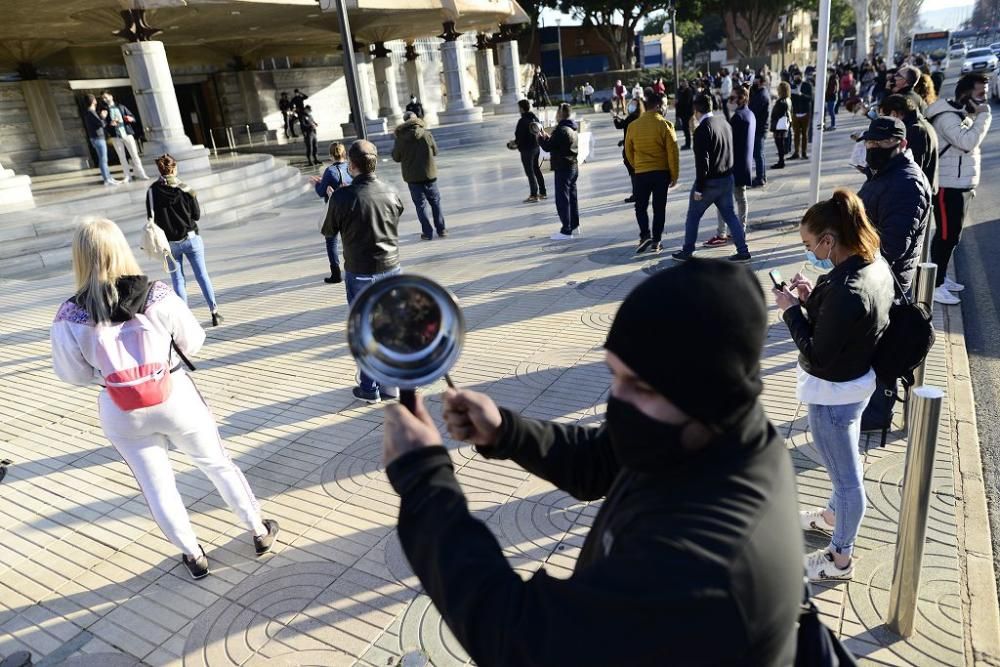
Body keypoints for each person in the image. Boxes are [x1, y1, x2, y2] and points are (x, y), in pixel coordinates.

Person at [380, 260, 804, 666]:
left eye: (638, 385)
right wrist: (505, 431)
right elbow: (602, 460)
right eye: (614, 375)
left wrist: (423, 478)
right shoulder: (714, 427)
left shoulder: (701, 567)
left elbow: (526, 645)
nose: (616, 400)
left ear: (704, 390)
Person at [50, 217, 278, 581]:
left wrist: (106, 374)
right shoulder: (157, 293)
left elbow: (72, 375)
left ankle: (194, 555)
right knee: (217, 463)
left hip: (122, 409)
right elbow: (195, 340)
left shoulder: (70, 314)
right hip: (174, 393)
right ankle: (258, 530)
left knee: (157, 486)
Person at [772, 190, 894, 581]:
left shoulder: (847, 290)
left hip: (833, 392)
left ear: (829, 238)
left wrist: (791, 311)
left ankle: (839, 560)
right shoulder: (870, 264)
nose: (807, 250)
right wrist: (809, 299)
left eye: (809, 243)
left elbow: (819, 353)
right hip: (855, 382)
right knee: (846, 467)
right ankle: (828, 517)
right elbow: (840, 328)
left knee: (846, 481)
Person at [856, 117, 932, 432]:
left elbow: (893, 245)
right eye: (869, 143)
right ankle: (870, 407)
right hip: (873, 276)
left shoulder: (906, 183)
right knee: (869, 347)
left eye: (879, 143)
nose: (872, 148)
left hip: (887, 281)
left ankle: (877, 414)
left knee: (881, 351)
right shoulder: (885, 174)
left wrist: (851, 247)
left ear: (900, 144)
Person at [325, 140, 404, 402]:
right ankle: (391, 385)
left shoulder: (342, 196)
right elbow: (396, 215)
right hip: (392, 268)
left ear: (352, 165)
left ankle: (370, 387)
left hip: (361, 272)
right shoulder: (391, 191)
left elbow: (328, 230)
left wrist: (331, 200)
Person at [926, 72, 992, 305]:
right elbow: (967, 143)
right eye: (980, 95)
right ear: (966, 95)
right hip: (948, 187)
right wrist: (984, 116)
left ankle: (941, 277)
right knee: (945, 236)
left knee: (952, 237)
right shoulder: (946, 117)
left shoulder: (960, 114)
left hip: (961, 185)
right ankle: (934, 285)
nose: (984, 100)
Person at [671, 94, 752, 263]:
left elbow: (703, 162)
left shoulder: (702, 129)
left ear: (696, 110)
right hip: (727, 178)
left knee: (693, 216)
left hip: (709, 182)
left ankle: (687, 250)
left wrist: (699, 188)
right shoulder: (724, 122)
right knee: (730, 215)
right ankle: (743, 251)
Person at [146, 155, 224, 327]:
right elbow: (196, 215)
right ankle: (214, 313)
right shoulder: (186, 189)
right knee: (202, 275)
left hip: (169, 244)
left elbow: (151, 218)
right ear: (174, 168)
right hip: (191, 239)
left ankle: (186, 320)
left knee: (178, 280)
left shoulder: (152, 191)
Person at [624, 90, 680, 254]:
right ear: (657, 106)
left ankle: (644, 235)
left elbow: (628, 151)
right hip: (661, 173)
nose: (664, 108)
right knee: (659, 208)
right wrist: (674, 175)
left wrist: (637, 166)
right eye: (663, 105)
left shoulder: (633, 126)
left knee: (640, 206)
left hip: (641, 172)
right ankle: (656, 241)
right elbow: (673, 153)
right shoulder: (665, 125)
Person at [707, 85, 755, 248]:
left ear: (743, 99)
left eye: (733, 98)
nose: (730, 101)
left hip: (733, 166)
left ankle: (721, 233)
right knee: (741, 199)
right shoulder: (750, 114)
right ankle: (740, 230)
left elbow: (728, 144)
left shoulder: (739, 118)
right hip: (744, 165)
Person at [392, 111, 447, 240]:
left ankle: (427, 233)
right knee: (435, 203)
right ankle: (441, 230)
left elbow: (396, 157)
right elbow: (435, 151)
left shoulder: (400, 138)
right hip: (429, 175)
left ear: (404, 121)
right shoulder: (426, 134)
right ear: (417, 120)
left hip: (412, 178)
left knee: (420, 206)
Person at [879, 94, 938, 194]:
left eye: (883, 117)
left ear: (894, 114)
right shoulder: (917, 124)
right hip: (920, 190)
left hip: (917, 193)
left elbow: (912, 165)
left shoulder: (915, 130)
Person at [311, 142, 352, 284]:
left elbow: (322, 192)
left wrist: (317, 184)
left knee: (331, 241)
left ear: (330, 156)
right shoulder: (350, 167)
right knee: (349, 239)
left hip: (334, 211)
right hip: (350, 209)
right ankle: (353, 267)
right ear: (344, 153)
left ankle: (336, 273)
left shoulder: (329, 171)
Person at [537, 103, 580, 241]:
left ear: (560, 114)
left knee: (563, 199)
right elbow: (560, 144)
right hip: (573, 166)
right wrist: (549, 137)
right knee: (572, 198)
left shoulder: (561, 129)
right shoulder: (572, 128)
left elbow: (549, 147)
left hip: (563, 167)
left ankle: (566, 231)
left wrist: (540, 138)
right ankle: (574, 225)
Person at [100, 91, 149, 183]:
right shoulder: (104, 110)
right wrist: (107, 122)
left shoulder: (121, 107)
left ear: (111, 96)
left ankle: (141, 173)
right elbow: (103, 125)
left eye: (106, 97)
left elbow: (132, 118)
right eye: (103, 98)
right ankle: (127, 176)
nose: (105, 99)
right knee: (121, 157)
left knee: (135, 155)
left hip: (127, 134)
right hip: (115, 136)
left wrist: (131, 119)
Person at [514, 99, 547, 203]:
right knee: (536, 169)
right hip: (536, 147)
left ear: (522, 108)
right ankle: (543, 192)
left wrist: (515, 143)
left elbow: (519, 136)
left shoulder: (522, 121)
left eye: (519, 107)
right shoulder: (534, 118)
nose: (518, 109)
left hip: (527, 150)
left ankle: (534, 195)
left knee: (530, 172)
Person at [613, 96, 644, 204]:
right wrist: (623, 141)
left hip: (630, 149)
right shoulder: (641, 117)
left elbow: (620, 126)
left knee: (633, 172)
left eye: (633, 104)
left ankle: (636, 194)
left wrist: (614, 118)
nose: (631, 106)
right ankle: (641, 193)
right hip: (638, 147)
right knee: (638, 171)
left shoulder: (632, 118)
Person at [84, 94, 118, 187]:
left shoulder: (90, 112)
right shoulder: (91, 112)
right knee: (103, 160)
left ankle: (109, 178)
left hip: (97, 138)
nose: (96, 100)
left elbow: (99, 124)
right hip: (98, 138)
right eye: (95, 99)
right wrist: (103, 116)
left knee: (103, 159)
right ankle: (107, 179)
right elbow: (101, 124)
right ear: (93, 101)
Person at [749, 76, 770, 187]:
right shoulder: (760, 93)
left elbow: (753, 110)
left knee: (758, 155)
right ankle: (762, 176)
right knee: (759, 154)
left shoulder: (762, 95)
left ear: (761, 83)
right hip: (759, 128)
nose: (753, 84)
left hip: (759, 129)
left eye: (755, 82)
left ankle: (760, 178)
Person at [770, 81, 792, 170]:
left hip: (779, 125)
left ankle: (781, 161)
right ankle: (781, 160)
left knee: (779, 143)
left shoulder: (781, 101)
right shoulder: (788, 99)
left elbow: (777, 113)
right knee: (781, 143)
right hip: (785, 123)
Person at [790, 72, 812, 159]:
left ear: (801, 77)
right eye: (795, 77)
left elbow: (810, 98)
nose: (796, 78)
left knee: (804, 134)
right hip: (795, 113)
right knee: (796, 134)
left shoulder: (807, 85)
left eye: (797, 77)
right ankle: (796, 152)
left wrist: (801, 95)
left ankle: (804, 152)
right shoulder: (792, 86)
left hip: (805, 113)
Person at [674, 79, 694, 149]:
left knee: (686, 128)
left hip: (687, 112)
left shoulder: (689, 91)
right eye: (682, 83)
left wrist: (678, 102)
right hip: (682, 112)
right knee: (685, 128)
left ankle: (688, 144)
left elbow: (686, 102)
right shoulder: (680, 90)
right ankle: (687, 143)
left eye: (684, 83)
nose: (683, 84)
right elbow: (678, 97)